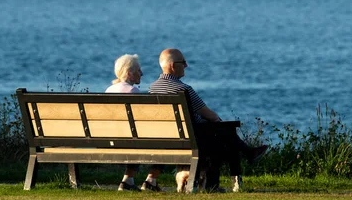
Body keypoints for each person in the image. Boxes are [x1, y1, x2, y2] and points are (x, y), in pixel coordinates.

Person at [149, 48, 268, 192]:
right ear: (173, 65)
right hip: (193, 140)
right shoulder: (183, 89)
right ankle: (239, 164)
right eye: (183, 62)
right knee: (226, 132)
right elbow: (210, 115)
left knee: (224, 134)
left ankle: (248, 153)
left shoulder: (153, 88)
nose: (186, 65)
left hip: (166, 139)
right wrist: (219, 121)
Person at [105, 54, 162, 191]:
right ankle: (151, 180)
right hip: (130, 138)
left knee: (134, 137)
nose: (141, 73)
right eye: (138, 70)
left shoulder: (109, 90)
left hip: (110, 139)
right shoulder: (132, 91)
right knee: (164, 141)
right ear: (129, 73)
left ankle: (128, 180)